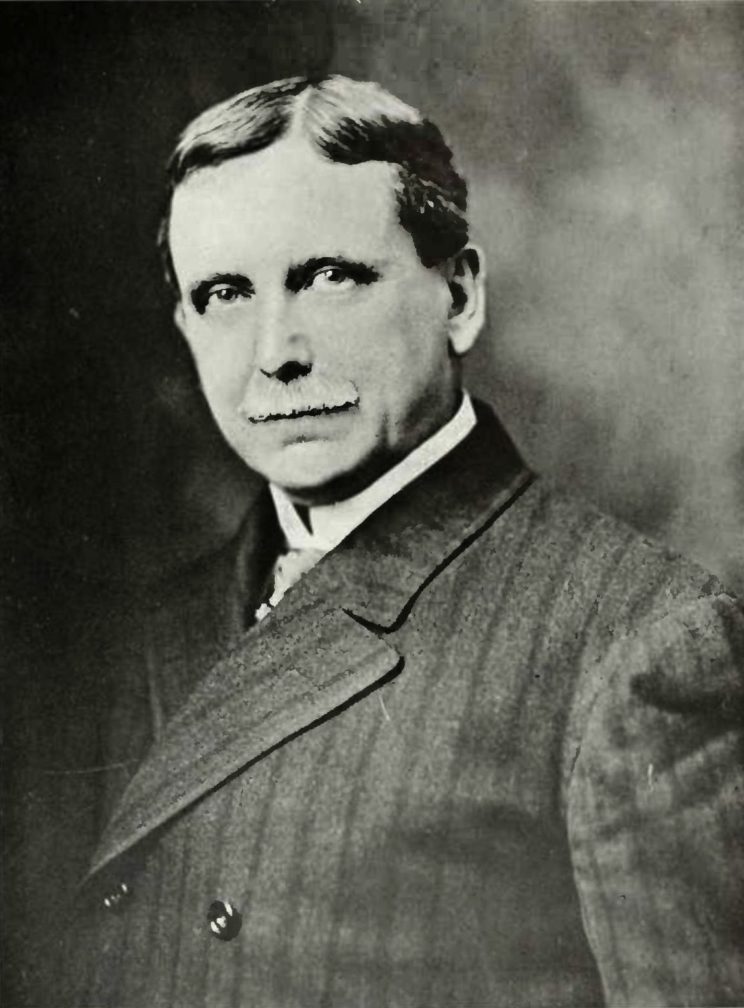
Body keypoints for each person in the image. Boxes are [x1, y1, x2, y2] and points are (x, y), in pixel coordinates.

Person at [12, 75, 744, 1007]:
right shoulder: (148, 633)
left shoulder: (638, 640)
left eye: (329, 277)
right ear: (186, 329)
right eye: (225, 293)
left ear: (460, 297)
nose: (276, 352)